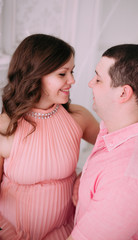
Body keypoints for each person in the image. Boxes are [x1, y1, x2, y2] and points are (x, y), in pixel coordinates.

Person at [0, 34, 99, 240]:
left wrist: (87, 174)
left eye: (72, 71)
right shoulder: (6, 126)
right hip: (13, 231)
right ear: (36, 76)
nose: (72, 80)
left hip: (65, 230)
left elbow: (114, 148)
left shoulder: (78, 117)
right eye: (62, 74)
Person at [68, 44, 138, 240]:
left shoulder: (127, 180)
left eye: (99, 79)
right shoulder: (133, 131)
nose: (90, 83)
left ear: (123, 93)